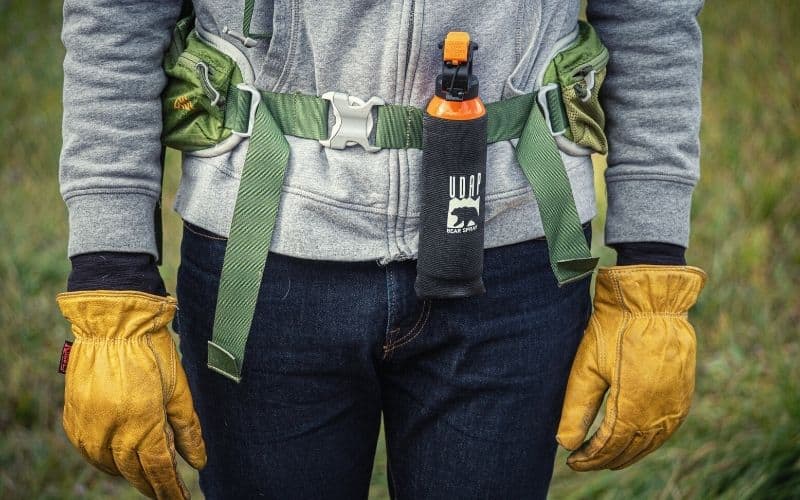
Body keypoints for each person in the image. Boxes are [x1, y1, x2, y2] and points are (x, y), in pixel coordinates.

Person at [56, 1, 707, 498]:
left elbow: (653, 19)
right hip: (259, 259)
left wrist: (653, 269)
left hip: (516, 253)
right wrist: (109, 277)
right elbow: (116, 18)